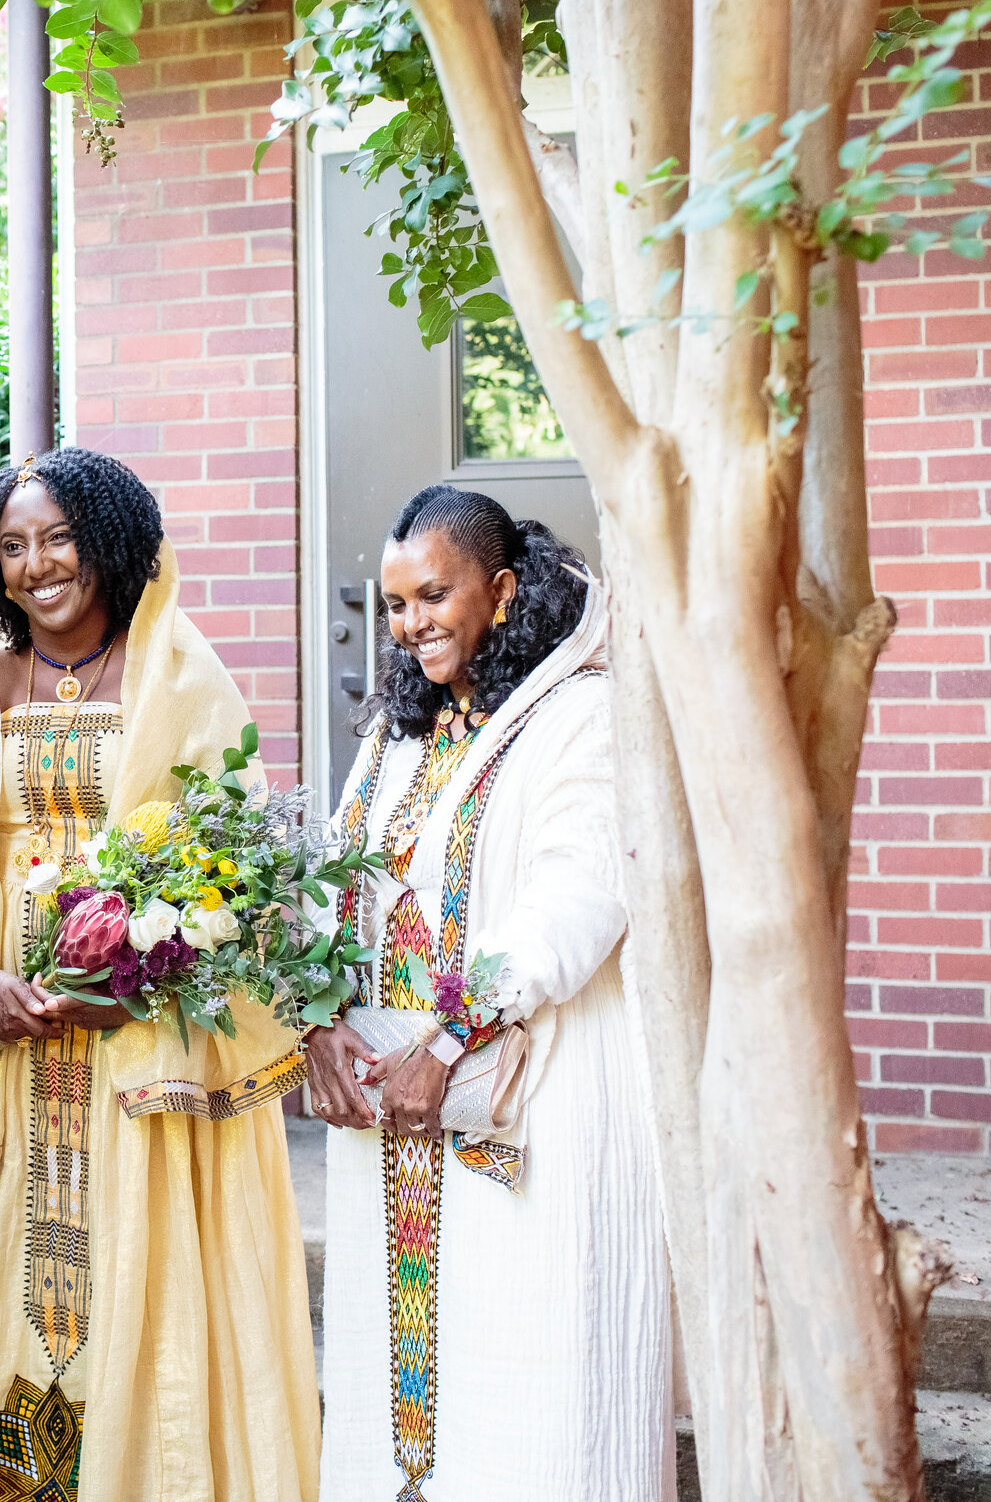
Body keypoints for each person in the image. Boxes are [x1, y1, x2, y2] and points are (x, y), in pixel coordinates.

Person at [0, 447, 319, 1502]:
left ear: (106, 542)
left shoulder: (178, 671)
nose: (36, 565)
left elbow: (228, 856)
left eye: (58, 537)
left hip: (134, 1045)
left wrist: (132, 965)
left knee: (133, 1276)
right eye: (11, 546)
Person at [306, 484, 673, 1502]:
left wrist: (454, 1035)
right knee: (400, 1385)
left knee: (534, 1377)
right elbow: (337, 878)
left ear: (501, 591)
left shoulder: (581, 713)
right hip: (395, 1111)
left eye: (435, 593)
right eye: (394, 603)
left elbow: (581, 893)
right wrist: (318, 1020)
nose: (411, 621)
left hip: (531, 1101)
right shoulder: (398, 730)